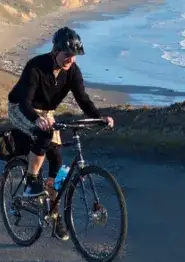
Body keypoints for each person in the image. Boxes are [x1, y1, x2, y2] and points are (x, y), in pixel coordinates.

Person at [7, 26, 114, 238]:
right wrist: (37, 120)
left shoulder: (72, 71)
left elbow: (83, 100)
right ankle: (30, 181)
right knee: (44, 135)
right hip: (21, 108)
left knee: (56, 158)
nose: (70, 60)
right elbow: (25, 102)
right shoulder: (36, 66)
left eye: (74, 56)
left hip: (46, 112)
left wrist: (100, 118)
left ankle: (53, 216)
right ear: (55, 51)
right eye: (67, 55)